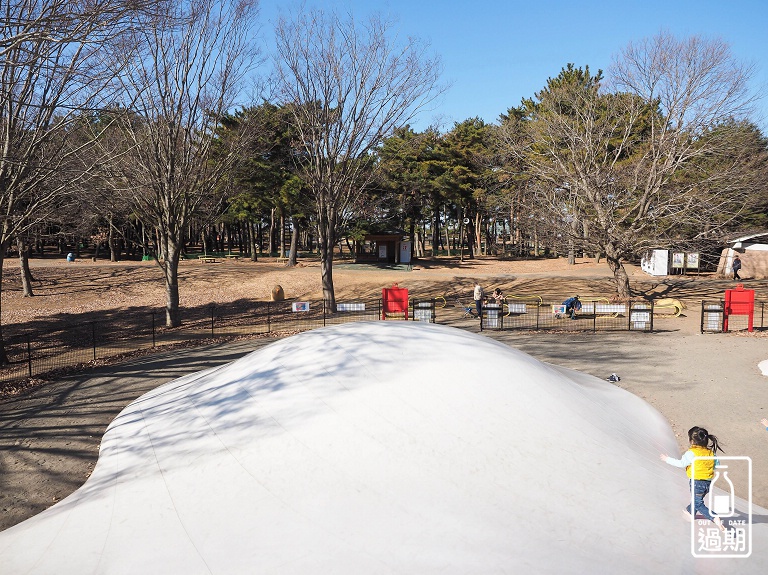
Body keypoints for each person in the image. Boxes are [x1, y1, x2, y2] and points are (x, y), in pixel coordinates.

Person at [660, 426, 725, 531]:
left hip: (696, 483)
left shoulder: (691, 453)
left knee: (698, 503)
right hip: (707, 483)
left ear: (691, 441)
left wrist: (667, 459)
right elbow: (716, 465)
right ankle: (690, 512)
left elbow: (681, 463)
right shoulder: (711, 453)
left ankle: (714, 517)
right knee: (697, 500)